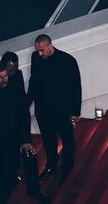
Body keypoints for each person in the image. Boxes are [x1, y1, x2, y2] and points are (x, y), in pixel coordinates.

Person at [0, 61, 47, 204]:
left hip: (17, 133)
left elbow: (23, 113)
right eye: (0, 77)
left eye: (6, 76)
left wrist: (25, 139)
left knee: (30, 159)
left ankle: (34, 190)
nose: (5, 80)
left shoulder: (14, 86)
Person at [29, 34, 82, 180]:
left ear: (50, 46)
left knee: (67, 140)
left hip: (62, 111)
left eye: (42, 50)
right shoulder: (36, 58)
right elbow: (34, 82)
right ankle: (51, 165)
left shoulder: (68, 61)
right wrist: (26, 104)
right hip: (43, 110)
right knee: (48, 141)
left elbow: (76, 87)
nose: (39, 54)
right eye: (37, 50)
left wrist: (75, 111)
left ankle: (67, 168)